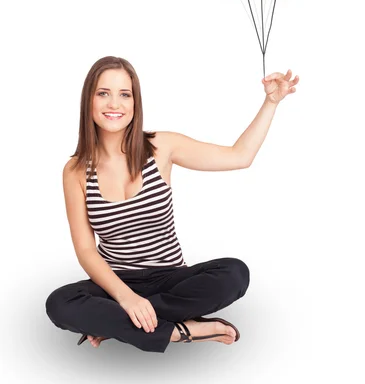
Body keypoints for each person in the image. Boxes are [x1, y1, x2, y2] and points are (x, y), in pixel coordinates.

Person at [45, 56, 299, 352]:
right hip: (113, 284)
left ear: (135, 103)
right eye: (103, 93)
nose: (114, 103)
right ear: (88, 100)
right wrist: (126, 299)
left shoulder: (161, 147)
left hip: (170, 277)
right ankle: (180, 330)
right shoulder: (76, 170)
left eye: (124, 94)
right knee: (58, 303)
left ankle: (119, 325)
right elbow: (87, 251)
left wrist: (271, 103)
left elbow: (239, 156)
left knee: (234, 273)